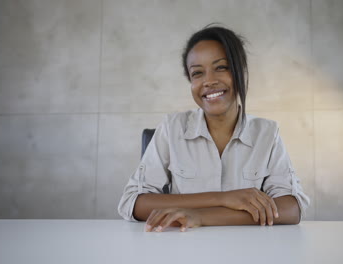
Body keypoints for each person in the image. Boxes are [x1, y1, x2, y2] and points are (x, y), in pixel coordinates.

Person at [118, 24, 310, 232]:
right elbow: (133, 203)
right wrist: (224, 199)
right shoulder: (172, 128)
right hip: (184, 248)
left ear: (241, 71)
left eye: (221, 67)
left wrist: (201, 216)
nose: (209, 81)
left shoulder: (267, 132)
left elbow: (291, 208)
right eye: (197, 73)